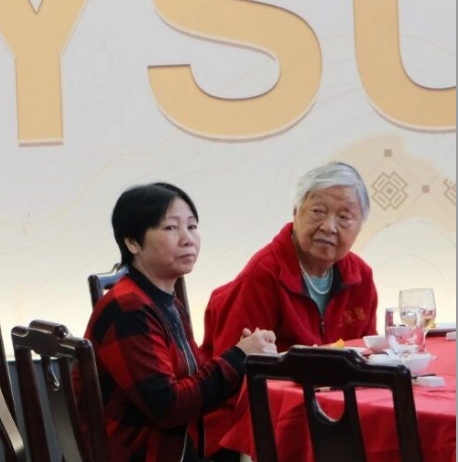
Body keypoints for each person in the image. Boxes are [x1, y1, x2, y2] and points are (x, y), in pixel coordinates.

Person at [84, 183, 276, 462]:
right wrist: (237, 358)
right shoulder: (129, 309)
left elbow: (189, 381)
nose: (188, 239)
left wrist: (243, 355)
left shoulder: (166, 300)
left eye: (192, 226)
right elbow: (168, 406)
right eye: (171, 228)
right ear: (132, 242)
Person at [199, 161, 378, 457]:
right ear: (296, 212)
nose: (329, 226)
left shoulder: (361, 277)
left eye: (344, 217)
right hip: (261, 424)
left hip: (334, 415)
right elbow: (232, 375)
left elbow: (366, 356)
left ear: (360, 226)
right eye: (318, 211)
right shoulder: (261, 276)